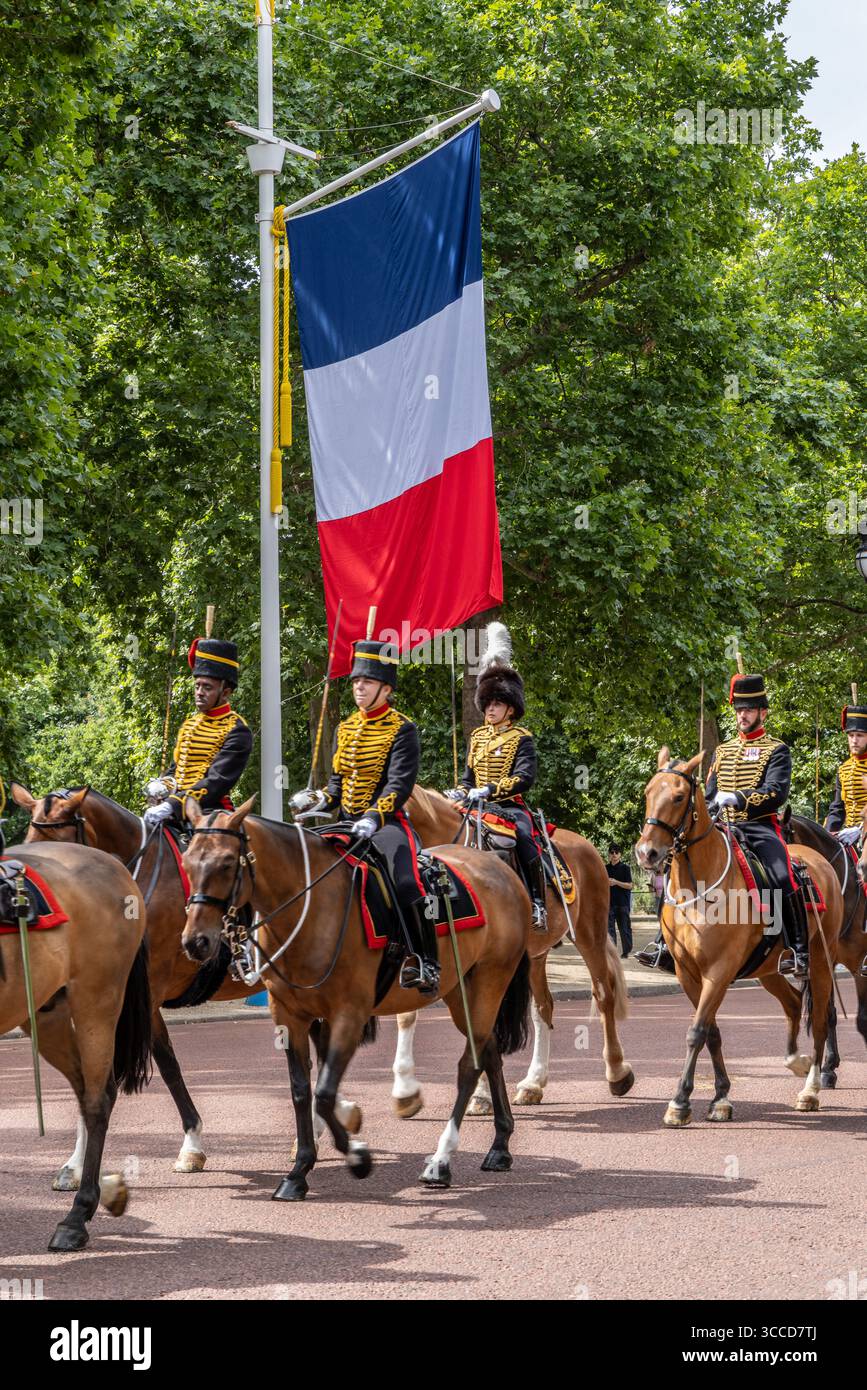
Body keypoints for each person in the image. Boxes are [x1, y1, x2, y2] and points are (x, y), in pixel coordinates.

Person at [290, 638, 439, 995]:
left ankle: (425, 959)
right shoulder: (345, 728)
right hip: (345, 825)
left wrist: (374, 816)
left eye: (367, 682)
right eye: (356, 681)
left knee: (406, 882)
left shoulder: (402, 729)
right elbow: (337, 787)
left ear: (386, 688)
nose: (358, 686)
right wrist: (315, 800)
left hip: (387, 825)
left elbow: (399, 785)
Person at [636, 672, 809, 979]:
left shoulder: (777, 749)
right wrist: (714, 802)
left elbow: (776, 792)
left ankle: (796, 949)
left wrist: (739, 799)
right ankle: (664, 943)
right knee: (675, 866)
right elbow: (712, 791)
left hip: (759, 828)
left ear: (762, 712)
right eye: (739, 709)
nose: (743, 714)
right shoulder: (724, 750)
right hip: (722, 828)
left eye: (750, 709)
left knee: (782, 874)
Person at [443, 623, 547, 930]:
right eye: (487, 702)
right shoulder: (476, 737)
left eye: (497, 703)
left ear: (511, 708)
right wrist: (461, 791)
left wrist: (488, 790)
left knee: (526, 839)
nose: (491, 708)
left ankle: (538, 902)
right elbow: (467, 776)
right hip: (475, 807)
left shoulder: (521, 737)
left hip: (509, 806)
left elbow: (525, 777)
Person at [145, 637, 253, 832]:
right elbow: (176, 769)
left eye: (207, 687)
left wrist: (174, 804)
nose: (199, 692)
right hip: (175, 809)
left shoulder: (237, 729)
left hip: (211, 812)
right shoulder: (189, 724)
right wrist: (163, 785)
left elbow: (217, 781)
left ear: (225, 693)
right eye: (197, 686)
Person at [824, 701, 867, 845]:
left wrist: (861, 830)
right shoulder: (844, 769)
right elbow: (837, 809)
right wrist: (827, 836)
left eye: (860, 735)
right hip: (848, 836)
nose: (854, 740)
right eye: (851, 735)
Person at [606, 844, 633, 957]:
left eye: (616, 852)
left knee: (624, 929)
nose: (614, 855)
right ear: (609, 854)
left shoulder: (625, 868)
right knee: (610, 929)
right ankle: (613, 952)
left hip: (623, 904)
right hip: (609, 903)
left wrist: (616, 882)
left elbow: (630, 886)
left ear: (620, 854)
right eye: (612, 852)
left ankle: (626, 951)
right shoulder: (605, 868)